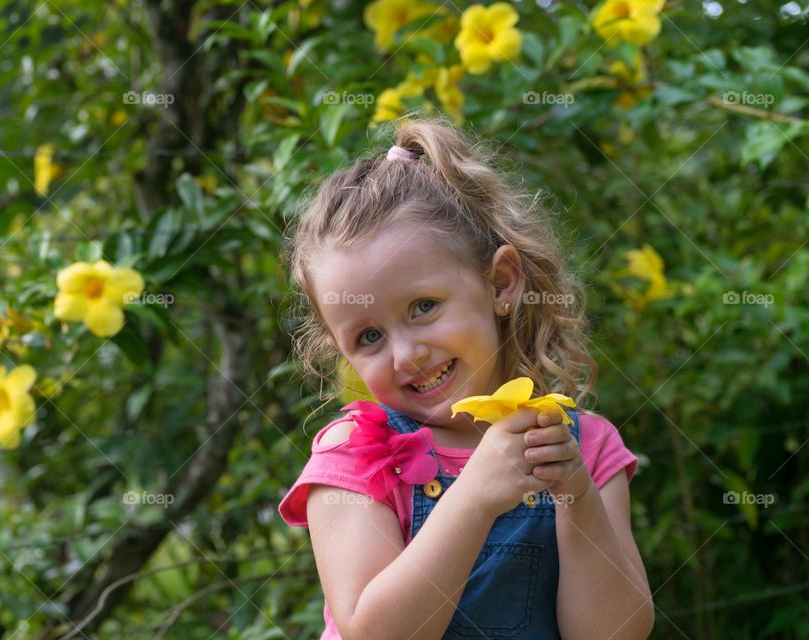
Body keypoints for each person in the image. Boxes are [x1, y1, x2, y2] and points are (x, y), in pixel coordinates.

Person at [278, 117, 653, 640]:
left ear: (501, 282)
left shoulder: (583, 445)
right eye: (368, 338)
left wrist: (576, 494)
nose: (406, 355)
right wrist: (473, 496)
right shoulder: (355, 454)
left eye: (423, 307)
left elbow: (615, 633)